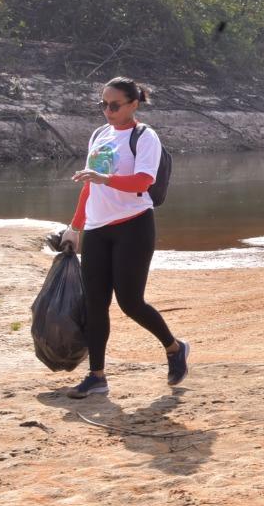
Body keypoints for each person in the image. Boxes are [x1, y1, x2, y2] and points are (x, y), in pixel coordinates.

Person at [58, 77, 189, 399]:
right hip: (97, 229)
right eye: (103, 104)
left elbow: (144, 180)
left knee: (130, 302)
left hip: (134, 226)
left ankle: (174, 348)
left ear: (133, 104)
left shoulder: (145, 137)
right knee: (95, 304)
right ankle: (97, 376)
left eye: (114, 105)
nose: (107, 110)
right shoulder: (99, 135)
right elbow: (89, 186)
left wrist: (106, 177)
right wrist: (75, 228)